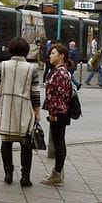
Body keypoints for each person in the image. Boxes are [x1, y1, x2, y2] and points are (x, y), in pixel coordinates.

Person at [0, 37, 40, 187]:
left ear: (10, 50)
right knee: (26, 144)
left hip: (7, 106)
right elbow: (35, 93)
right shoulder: (32, 69)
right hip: (24, 109)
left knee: (6, 142)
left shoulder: (3, 66)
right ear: (26, 51)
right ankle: (25, 177)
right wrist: (37, 112)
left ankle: (8, 173)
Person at [41, 42, 74, 185]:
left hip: (59, 112)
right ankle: (58, 171)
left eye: (53, 53)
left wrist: (53, 113)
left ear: (61, 56)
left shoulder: (60, 73)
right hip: (60, 111)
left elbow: (57, 96)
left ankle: (57, 173)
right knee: (59, 140)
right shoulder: (60, 71)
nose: (50, 55)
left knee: (58, 142)